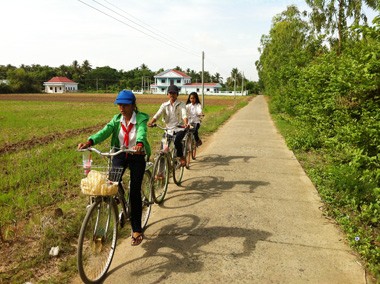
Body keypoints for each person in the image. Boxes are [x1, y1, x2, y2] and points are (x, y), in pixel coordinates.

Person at [77, 90, 151, 246]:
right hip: (120, 153)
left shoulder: (141, 118)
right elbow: (105, 131)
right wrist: (90, 142)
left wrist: (139, 144)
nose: (121, 108)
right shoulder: (116, 120)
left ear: (133, 105)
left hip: (137, 154)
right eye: (119, 105)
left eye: (125, 105)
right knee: (110, 184)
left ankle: (136, 228)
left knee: (134, 192)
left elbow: (142, 133)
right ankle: (118, 199)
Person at [148, 84, 188, 167]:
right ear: (167, 94)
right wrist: (151, 122)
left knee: (177, 141)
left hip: (179, 128)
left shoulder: (181, 104)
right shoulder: (164, 105)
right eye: (170, 93)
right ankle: (160, 173)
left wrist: (186, 123)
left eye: (174, 93)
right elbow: (158, 114)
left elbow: (184, 114)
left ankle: (181, 157)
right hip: (168, 130)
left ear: (177, 94)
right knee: (163, 150)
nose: (172, 95)